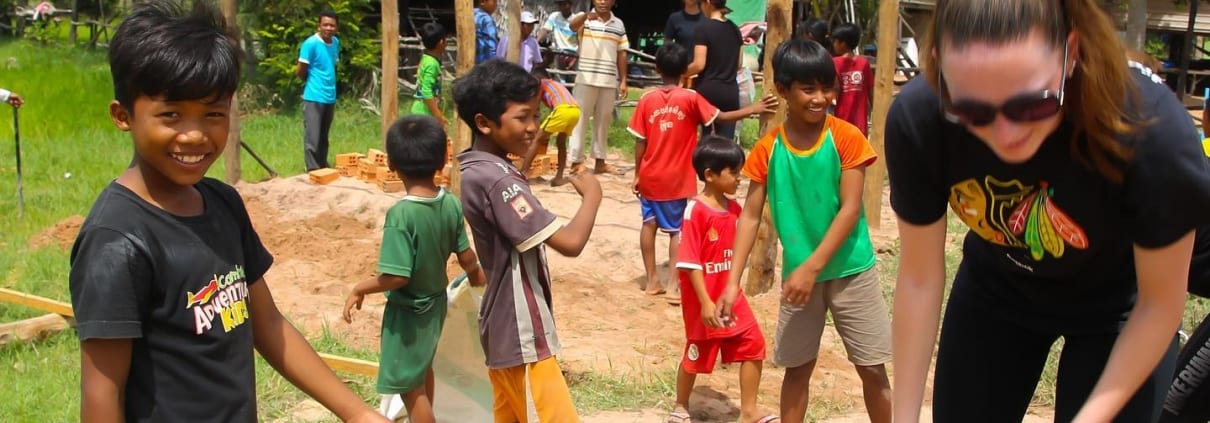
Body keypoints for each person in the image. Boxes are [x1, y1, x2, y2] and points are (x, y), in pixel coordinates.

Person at [884, 0, 1210, 421]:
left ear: (1071, 54)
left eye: (1030, 105)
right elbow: (919, 278)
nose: (1005, 135)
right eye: (972, 110)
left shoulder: (1153, 134)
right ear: (938, 66)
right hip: (997, 288)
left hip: (1121, 306)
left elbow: (1159, 304)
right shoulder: (921, 118)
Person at [68, 2, 388, 422]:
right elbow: (101, 393)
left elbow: (268, 325)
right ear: (122, 115)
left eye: (213, 114)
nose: (195, 134)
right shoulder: (116, 241)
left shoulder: (222, 203)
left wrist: (358, 413)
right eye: (171, 115)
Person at [723, 39, 892, 423]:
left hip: (851, 271)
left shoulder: (846, 137)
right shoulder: (769, 149)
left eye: (827, 88)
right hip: (800, 278)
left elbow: (850, 209)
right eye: (808, 89)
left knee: (871, 367)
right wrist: (732, 282)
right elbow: (750, 217)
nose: (821, 98)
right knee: (797, 369)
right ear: (782, 89)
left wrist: (811, 268)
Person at [452, 59, 604, 422]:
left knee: (511, 413)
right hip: (521, 325)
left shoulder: (478, 168)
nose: (533, 127)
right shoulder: (499, 181)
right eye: (523, 117)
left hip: (501, 324)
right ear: (484, 123)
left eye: (536, 115)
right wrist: (593, 196)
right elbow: (570, 242)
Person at [342, 115, 487, 423]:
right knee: (422, 369)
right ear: (443, 161)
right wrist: (477, 275)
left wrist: (359, 288)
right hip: (436, 305)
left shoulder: (401, 215)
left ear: (391, 164)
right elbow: (465, 254)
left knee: (409, 387)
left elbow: (397, 276)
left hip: (409, 313)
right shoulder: (450, 203)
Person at [629, 42, 776, 302]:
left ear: (657, 68)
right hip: (677, 178)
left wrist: (638, 173)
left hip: (650, 174)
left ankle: (651, 280)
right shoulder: (690, 98)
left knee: (648, 224)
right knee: (677, 231)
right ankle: (673, 286)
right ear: (685, 70)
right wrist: (753, 109)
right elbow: (721, 117)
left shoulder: (646, 99)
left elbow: (640, 141)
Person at [669, 136, 778, 423]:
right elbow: (690, 261)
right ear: (710, 175)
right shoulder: (695, 210)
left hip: (731, 299)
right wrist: (705, 302)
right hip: (703, 300)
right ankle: (681, 404)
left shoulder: (736, 211)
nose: (740, 178)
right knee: (696, 353)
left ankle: (749, 411)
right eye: (734, 172)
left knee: (753, 344)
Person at [568, 0, 628, 175]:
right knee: (580, 120)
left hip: (608, 80)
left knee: (603, 121)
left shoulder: (618, 24)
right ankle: (576, 161)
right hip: (585, 78)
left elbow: (622, 52)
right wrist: (586, 16)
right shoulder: (584, 19)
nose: (603, 2)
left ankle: (600, 162)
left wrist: (623, 80)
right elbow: (572, 26)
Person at [685, 0, 743, 139]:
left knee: (706, 141)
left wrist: (682, 73)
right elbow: (739, 65)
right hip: (730, 92)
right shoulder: (735, 29)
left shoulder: (703, 29)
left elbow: (699, 64)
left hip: (708, 92)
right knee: (725, 142)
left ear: (708, 3)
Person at [520, 67, 579, 187]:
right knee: (561, 143)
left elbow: (535, 106)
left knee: (536, 140)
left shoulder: (540, 84)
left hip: (562, 110)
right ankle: (559, 177)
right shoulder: (556, 84)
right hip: (576, 111)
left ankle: (522, 174)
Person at [297, 9, 340, 172]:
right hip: (314, 96)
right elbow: (300, 70)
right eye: (325, 25)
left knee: (323, 136)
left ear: (336, 28)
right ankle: (313, 169)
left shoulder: (335, 43)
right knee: (312, 136)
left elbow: (331, 66)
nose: (328, 28)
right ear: (319, 26)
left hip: (330, 96)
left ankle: (323, 166)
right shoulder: (310, 44)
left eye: (332, 25)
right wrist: (312, 83)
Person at [830, 22, 873, 136]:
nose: (834, 44)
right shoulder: (864, 63)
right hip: (860, 124)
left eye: (835, 41)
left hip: (841, 121)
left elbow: (834, 92)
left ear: (843, 43)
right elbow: (871, 92)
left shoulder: (834, 63)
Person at [410, 22, 448, 127]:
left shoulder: (426, 58)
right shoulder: (432, 64)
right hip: (424, 114)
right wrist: (438, 115)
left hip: (421, 109)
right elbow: (426, 90)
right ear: (441, 42)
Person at [474, 0, 499, 64]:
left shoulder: (471, 15)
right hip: (483, 63)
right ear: (482, 2)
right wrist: (494, 64)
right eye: (494, 1)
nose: (496, 5)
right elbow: (492, 45)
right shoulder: (486, 19)